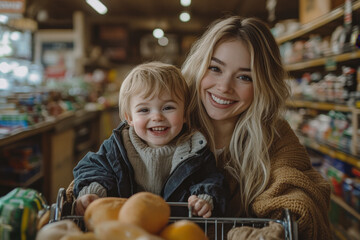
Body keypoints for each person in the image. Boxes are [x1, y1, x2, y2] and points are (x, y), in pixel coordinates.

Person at [182, 16, 332, 239]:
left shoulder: (275, 134)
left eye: (244, 77)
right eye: (215, 68)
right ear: (199, 66)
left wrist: (284, 218)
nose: (224, 87)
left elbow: (292, 183)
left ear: (263, 84)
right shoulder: (170, 118)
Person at [72, 61, 229, 218]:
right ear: (129, 118)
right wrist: (93, 191)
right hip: (125, 226)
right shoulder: (117, 146)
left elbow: (212, 179)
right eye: (144, 110)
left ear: (185, 114)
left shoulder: (195, 150)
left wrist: (204, 199)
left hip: (175, 229)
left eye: (168, 108)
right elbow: (94, 168)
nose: (157, 117)